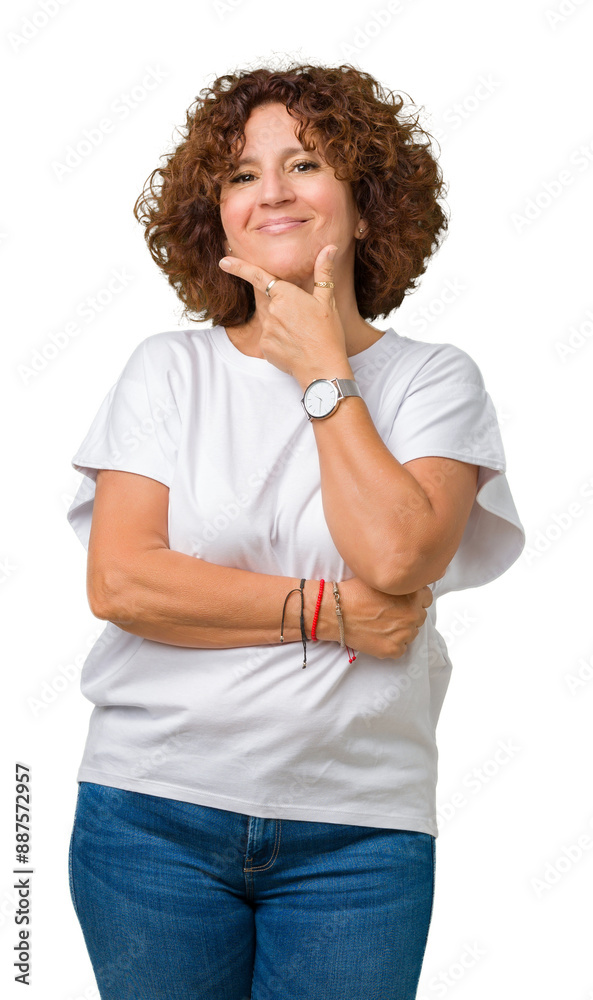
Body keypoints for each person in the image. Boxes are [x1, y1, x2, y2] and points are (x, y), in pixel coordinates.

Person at [66, 62, 525, 1000]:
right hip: (151, 816)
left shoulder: (435, 381)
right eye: (241, 175)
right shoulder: (167, 371)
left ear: (365, 205)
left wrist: (323, 370)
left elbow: (396, 555)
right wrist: (333, 614)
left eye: (305, 163)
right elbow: (124, 585)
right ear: (218, 215)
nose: (270, 190)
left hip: (358, 835)